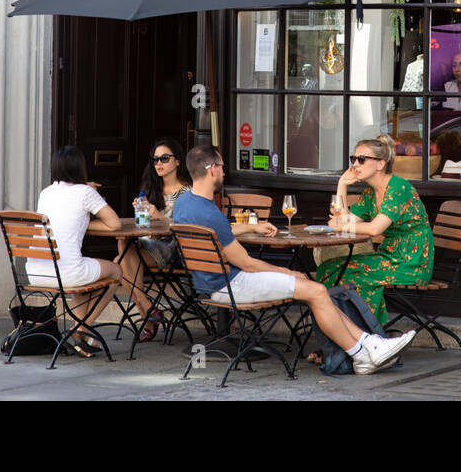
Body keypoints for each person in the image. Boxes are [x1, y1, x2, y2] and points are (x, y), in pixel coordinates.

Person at [172, 145, 416, 374]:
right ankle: (361, 353)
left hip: (208, 284)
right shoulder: (211, 213)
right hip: (232, 286)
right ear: (212, 169)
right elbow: (247, 264)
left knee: (316, 289)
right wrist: (287, 272)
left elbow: (216, 233)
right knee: (317, 291)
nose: (224, 171)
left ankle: (369, 345)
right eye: (222, 166)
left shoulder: (184, 203)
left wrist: (251, 229)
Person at [316, 135, 434, 325]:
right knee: (328, 269)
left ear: (380, 164)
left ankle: (367, 335)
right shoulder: (370, 193)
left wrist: (344, 225)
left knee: (346, 273)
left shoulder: (398, 188)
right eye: (353, 159)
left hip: (411, 262)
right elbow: (343, 220)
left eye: (361, 159)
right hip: (388, 256)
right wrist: (342, 184)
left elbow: (374, 229)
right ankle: (342, 337)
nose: (355, 164)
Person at [27, 146, 123, 356]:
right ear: (81, 168)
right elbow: (115, 224)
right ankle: (81, 328)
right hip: (66, 273)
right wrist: (85, 213)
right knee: (116, 271)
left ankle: (81, 338)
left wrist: (81, 221)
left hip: (35, 272)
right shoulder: (86, 193)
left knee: (83, 275)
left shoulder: (47, 192)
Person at [117, 138, 191, 343]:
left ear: (177, 161)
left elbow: (186, 228)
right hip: (150, 245)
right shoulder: (151, 188)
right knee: (121, 254)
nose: (159, 163)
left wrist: (158, 216)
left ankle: (148, 316)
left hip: (174, 249)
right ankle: (149, 311)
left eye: (165, 158)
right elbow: (145, 226)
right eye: (155, 159)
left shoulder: (187, 192)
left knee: (119, 260)